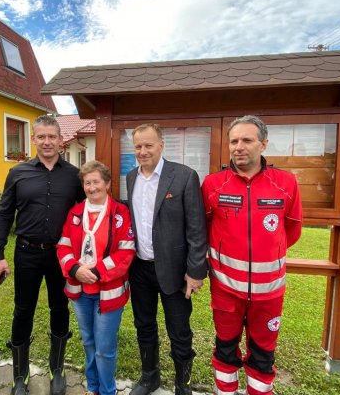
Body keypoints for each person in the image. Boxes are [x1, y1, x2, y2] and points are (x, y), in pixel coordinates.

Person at [201, 115, 302, 395]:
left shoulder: (286, 183)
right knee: (225, 349)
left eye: (247, 140)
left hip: (269, 293)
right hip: (225, 290)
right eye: (233, 141)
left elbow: (291, 231)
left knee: (263, 355)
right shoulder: (213, 185)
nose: (239, 147)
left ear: (263, 144)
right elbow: (206, 229)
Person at [0, 114, 85, 395]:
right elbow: (4, 213)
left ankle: (57, 370)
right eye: (41, 137)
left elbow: (86, 212)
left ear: (60, 141)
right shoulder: (18, 173)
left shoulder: (73, 176)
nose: (46, 142)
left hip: (61, 256)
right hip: (27, 253)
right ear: (33, 139)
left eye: (51, 137)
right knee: (23, 309)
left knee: (59, 307)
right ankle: (20, 375)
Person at [126, 123, 208, 395]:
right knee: (144, 325)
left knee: (179, 331)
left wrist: (196, 271)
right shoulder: (131, 177)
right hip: (140, 269)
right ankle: (150, 377)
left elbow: (196, 228)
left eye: (148, 145)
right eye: (138, 146)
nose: (143, 151)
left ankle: (182, 384)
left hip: (174, 271)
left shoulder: (184, 176)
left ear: (162, 145)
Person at [57, 160, 136, 395]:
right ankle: (92, 388)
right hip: (79, 292)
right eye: (87, 182)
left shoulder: (120, 213)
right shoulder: (75, 212)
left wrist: (96, 272)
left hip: (108, 291)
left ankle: (108, 391)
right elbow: (63, 245)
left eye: (96, 182)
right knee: (89, 343)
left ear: (108, 183)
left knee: (105, 348)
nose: (91, 187)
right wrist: (73, 269)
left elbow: (126, 250)